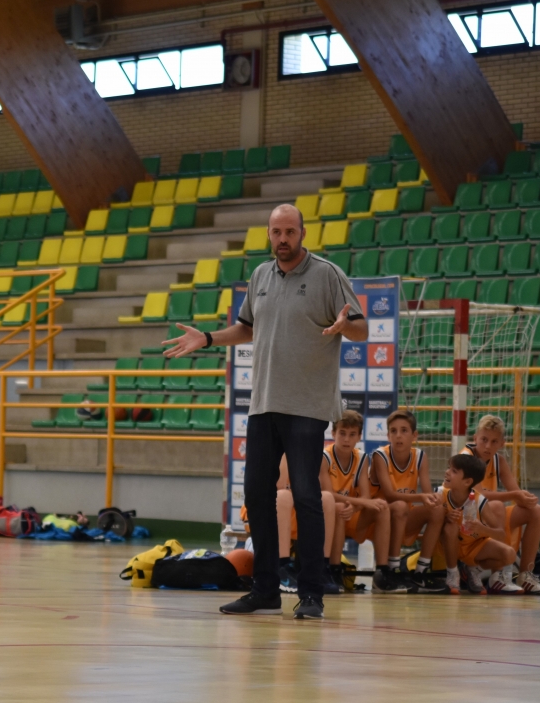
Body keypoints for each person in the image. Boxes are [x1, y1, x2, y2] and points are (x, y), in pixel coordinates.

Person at [164, 203, 367, 620]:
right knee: (257, 495)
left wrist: (344, 326)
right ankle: (265, 590)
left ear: (303, 233)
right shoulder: (259, 276)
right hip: (263, 404)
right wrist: (207, 338)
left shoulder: (328, 274)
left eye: (290, 231)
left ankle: (311, 594)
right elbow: (247, 328)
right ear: (269, 234)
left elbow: (361, 329)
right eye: (276, 232)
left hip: (307, 406)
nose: (283, 239)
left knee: (307, 496)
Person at [460, 415, 540, 594]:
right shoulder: (466, 457)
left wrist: (526, 498)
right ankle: (498, 575)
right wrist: (515, 494)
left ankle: (526, 575)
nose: (488, 446)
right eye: (484, 440)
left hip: (489, 518)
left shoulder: (498, 461)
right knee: (495, 505)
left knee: (535, 511)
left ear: (502, 443)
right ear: (475, 438)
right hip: (464, 520)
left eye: (494, 441)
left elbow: (515, 493)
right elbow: (480, 495)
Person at [320, 410, 401, 593]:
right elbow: (328, 494)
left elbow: (365, 496)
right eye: (342, 433)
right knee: (338, 507)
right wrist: (358, 503)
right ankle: (334, 569)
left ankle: (382, 572)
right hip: (328, 517)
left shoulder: (362, 458)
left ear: (359, 436)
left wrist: (356, 507)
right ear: (333, 433)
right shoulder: (324, 457)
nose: (346, 439)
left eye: (352, 434)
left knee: (382, 507)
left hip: (350, 513)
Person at [367, 411, 447, 593]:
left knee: (438, 510)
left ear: (414, 435)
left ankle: (420, 571)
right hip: (378, 519)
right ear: (388, 435)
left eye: (404, 430)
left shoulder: (420, 457)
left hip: (402, 517)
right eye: (393, 431)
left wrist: (435, 498)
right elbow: (390, 495)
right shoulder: (380, 456)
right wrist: (421, 497)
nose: (398, 435)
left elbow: (427, 493)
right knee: (400, 505)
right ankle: (393, 569)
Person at [240, 455, 338, 595]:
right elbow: (279, 485)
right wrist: (287, 454)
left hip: (294, 508)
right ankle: (282, 567)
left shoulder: (314, 454)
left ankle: (322, 567)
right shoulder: (276, 449)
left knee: (327, 498)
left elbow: (323, 490)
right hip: (267, 507)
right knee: (283, 496)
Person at [439, 453, 517, 595]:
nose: (447, 472)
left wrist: (483, 529)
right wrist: (445, 518)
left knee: (509, 554)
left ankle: (473, 569)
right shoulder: (440, 493)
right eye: (449, 468)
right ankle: (452, 573)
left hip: (473, 546)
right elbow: (431, 523)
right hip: (447, 545)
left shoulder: (479, 501)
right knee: (450, 526)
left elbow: (501, 535)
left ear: (467, 482)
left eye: (454, 471)